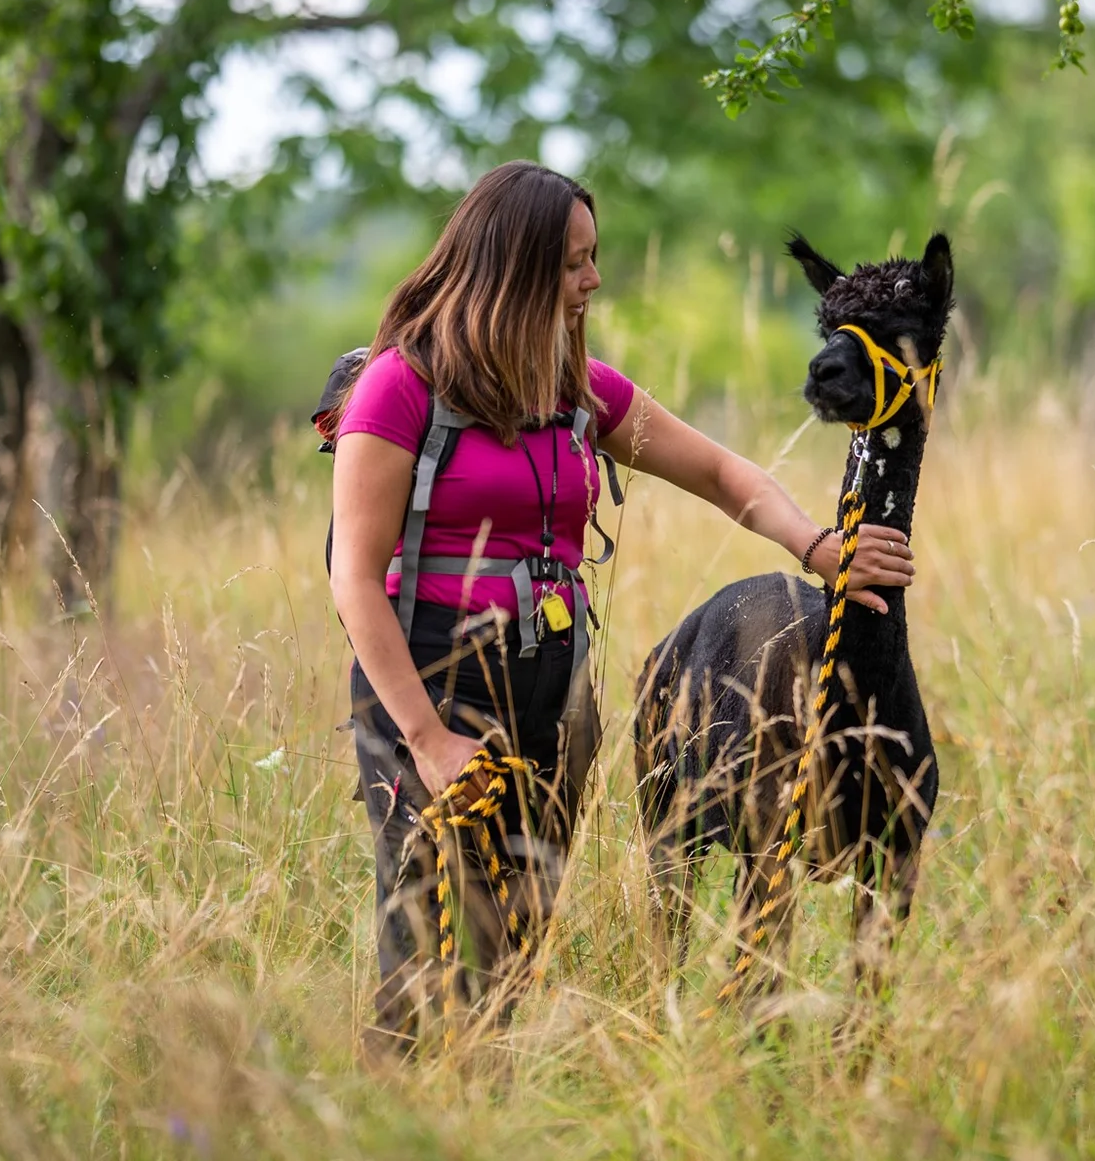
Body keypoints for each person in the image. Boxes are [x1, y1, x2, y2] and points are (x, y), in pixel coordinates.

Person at [320, 160, 915, 1050]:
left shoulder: (575, 388)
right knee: (426, 955)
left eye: (593, 258)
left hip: (553, 692)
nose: (592, 280)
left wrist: (820, 548)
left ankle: (481, 1118)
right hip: (429, 685)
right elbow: (356, 578)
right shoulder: (399, 390)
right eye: (572, 262)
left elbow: (721, 473)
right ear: (509, 264)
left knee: (514, 951)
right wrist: (428, 739)